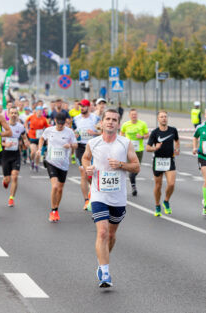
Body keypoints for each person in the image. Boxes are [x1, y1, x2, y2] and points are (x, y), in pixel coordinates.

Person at [82, 108, 140, 287]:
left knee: (112, 235)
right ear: (101, 122)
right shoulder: (93, 143)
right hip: (99, 194)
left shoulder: (125, 143)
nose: (110, 122)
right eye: (107, 119)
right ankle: (105, 272)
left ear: (118, 124)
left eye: (114, 120)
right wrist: (87, 168)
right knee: (102, 232)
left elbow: (136, 167)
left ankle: (103, 261)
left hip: (118, 197)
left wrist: (122, 165)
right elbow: (85, 159)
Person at [38, 112, 78, 221]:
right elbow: (42, 138)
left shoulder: (69, 132)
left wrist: (69, 145)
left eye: (62, 124)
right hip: (51, 161)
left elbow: (76, 144)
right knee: (55, 186)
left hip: (63, 164)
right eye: (59, 124)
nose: (60, 126)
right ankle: (53, 210)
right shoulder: (49, 130)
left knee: (60, 189)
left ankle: (56, 208)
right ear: (55, 121)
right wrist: (39, 149)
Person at [146, 110, 180, 217]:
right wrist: (155, 148)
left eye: (165, 116)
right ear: (158, 119)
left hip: (170, 160)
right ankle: (157, 205)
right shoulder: (155, 132)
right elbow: (147, 148)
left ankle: (166, 201)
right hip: (158, 161)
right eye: (161, 117)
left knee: (171, 184)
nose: (164, 118)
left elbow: (177, 141)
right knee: (158, 185)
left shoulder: (173, 130)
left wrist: (177, 148)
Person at [73, 99, 101, 210]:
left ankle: (93, 190)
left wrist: (94, 133)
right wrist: (74, 135)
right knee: (84, 172)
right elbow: (73, 131)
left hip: (93, 147)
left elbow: (102, 132)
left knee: (92, 172)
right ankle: (86, 200)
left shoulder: (95, 118)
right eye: (80, 106)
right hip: (81, 147)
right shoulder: (75, 119)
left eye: (84, 106)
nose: (82, 108)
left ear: (88, 107)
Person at [1, 106, 28, 207]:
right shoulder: (3, 126)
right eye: (11, 113)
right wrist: (5, 145)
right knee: (8, 179)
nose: (13, 115)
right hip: (5, 155)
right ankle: (5, 180)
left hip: (16, 154)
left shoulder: (20, 127)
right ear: (8, 115)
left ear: (18, 115)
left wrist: (27, 143)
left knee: (15, 176)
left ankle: (11, 198)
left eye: (15, 113)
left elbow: (24, 137)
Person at [120, 108, 149, 196]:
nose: (134, 116)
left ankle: (132, 177)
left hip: (139, 149)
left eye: (135, 114)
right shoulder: (125, 124)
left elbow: (147, 135)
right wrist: (124, 141)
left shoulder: (142, 124)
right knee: (131, 168)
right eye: (132, 114)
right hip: (129, 150)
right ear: (129, 116)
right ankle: (133, 186)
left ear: (137, 115)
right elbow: (121, 134)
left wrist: (141, 136)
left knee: (137, 168)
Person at [25, 106, 49, 172]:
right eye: (38, 110)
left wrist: (46, 136)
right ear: (36, 111)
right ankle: (32, 161)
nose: (39, 112)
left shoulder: (44, 119)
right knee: (33, 152)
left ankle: (36, 164)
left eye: (41, 111)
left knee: (38, 153)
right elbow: (26, 122)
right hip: (32, 137)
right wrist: (27, 129)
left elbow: (47, 127)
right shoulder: (32, 117)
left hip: (39, 138)